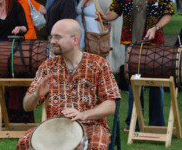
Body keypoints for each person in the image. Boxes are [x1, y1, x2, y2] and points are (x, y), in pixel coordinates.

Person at [16, 19, 121, 150]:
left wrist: (84, 114)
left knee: (96, 147)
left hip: (91, 126)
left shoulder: (98, 63)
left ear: (75, 40)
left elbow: (110, 105)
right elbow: (27, 106)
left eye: (57, 37)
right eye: (52, 36)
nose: (52, 41)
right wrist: (36, 95)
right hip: (55, 128)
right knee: (24, 142)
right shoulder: (48, 66)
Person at [96, 0, 174, 132]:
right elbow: (115, 10)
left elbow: (168, 13)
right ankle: (134, 124)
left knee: (156, 83)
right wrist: (105, 17)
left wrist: (156, 28)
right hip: (132, 44)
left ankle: (157, 123)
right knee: (134, 82)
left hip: (154, 44)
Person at [0, 0, 34, 123]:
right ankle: (1, 118)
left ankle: (18, 118)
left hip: (16, 53)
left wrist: (19, 28)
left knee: (17, 85)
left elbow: (25, 27)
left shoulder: (16, 6)